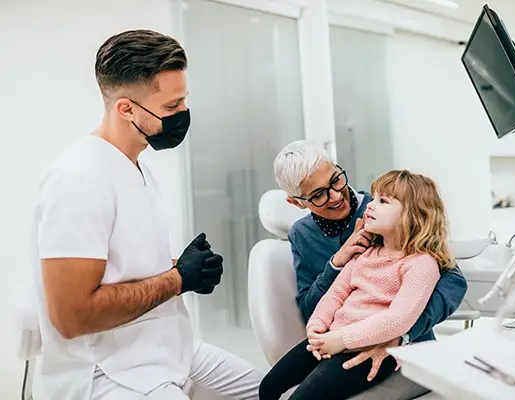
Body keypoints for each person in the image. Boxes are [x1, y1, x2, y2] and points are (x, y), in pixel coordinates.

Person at [30, 30, 262, 399]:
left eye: (184, 101)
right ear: (126, 109)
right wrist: (177, 279)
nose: (183, 115)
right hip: (108, 373)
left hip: (169, 350)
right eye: (171, 108)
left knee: (277, 391)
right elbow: (72, 317)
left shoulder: (137, 168)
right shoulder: (79, 180)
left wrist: (187, 268)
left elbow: (123, 267)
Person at [271, 140, 468, 399]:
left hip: (400, 350)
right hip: (337, 340)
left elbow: (453, 281)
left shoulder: (387, 210)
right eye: (319, 194)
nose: (337, 195)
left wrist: (400, 335)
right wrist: (337, 263)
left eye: (337, 179)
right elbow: (313, 307)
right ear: (297, 202)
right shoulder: (302, 235)